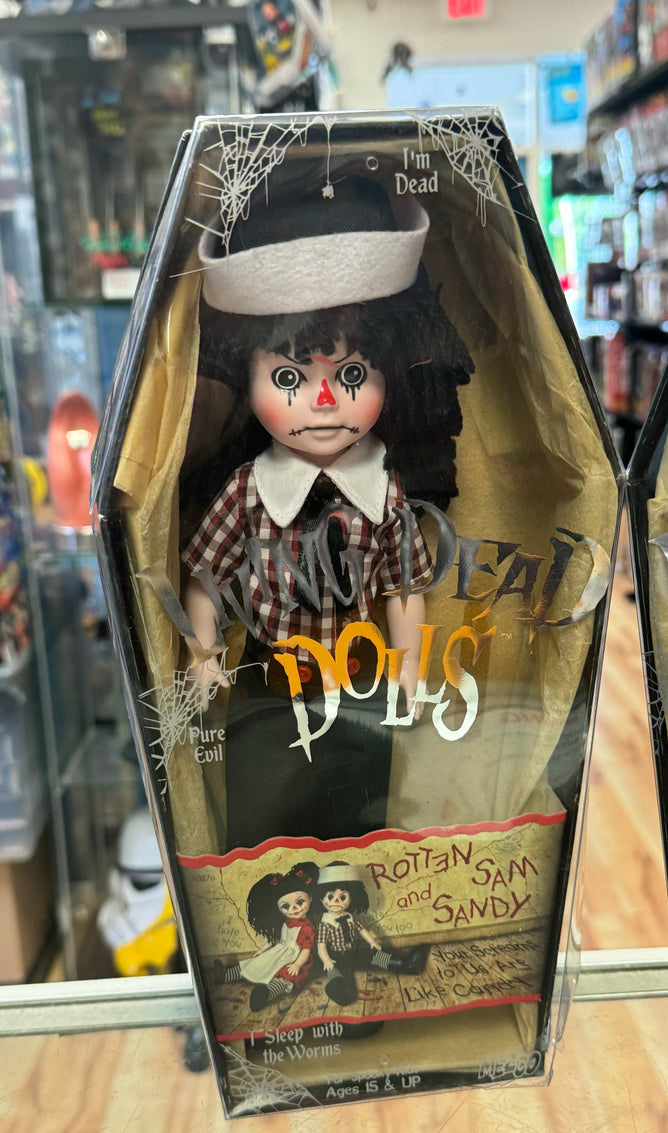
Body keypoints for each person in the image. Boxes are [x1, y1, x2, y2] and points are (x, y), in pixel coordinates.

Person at [181, 173, 474, 848]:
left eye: (350, 375)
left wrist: (408, 668)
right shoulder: (248, 491)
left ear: (388, 376)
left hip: (361, 679)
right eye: (288, 377)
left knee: (357, 809)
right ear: (246, 379)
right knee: (262, 815)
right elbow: (204, 578)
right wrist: (202, 654)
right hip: (268, 684)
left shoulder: (385, 491)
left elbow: (403, 588)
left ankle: (350, 883)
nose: (322, 402)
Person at [314, 860, 428, 1007]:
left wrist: (372, 942)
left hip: (352, 952)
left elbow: (361, 929)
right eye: (330, 896)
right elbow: (321, 946)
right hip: (335, 958)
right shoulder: (325, 923)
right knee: (335, 973)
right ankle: (339, 991)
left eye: (342, 897)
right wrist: (326, 960)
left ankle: (406, 964)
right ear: (321, 898)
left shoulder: (348, 917)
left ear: (351, 898)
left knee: (372, 955)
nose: (336, 900)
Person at [215, 861, 318, 1012]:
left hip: (296, 958)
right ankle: (225, 976)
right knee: (255, 962)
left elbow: (306, 950)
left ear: (310, 898)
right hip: (280, 951)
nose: (294, 909)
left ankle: (267, 994)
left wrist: (297, 964)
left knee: (285, 976)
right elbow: (276, 940)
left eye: (300, 902)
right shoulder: (286, 922)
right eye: (286, 906)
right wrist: (262, 950)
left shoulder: (307, 927)